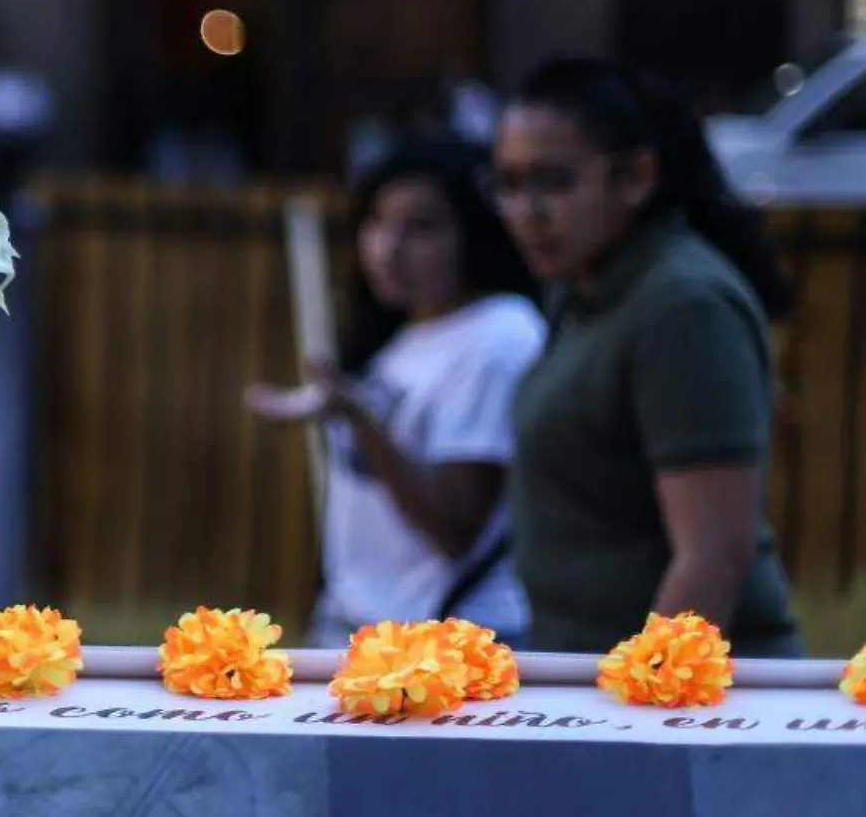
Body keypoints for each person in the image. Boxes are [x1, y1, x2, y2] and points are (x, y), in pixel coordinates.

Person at [488, 55, 802, 657]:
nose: (527, 212)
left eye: (553, 182)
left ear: (635, 177)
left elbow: (713, 555)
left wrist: (642, 704)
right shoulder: (580, 288)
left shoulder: (684, 306)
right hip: (586, 678)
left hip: (689, 704)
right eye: (508, 184)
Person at [247, 133, 544, 647]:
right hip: (363, 628)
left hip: (445, 649)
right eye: (377, 222)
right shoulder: (405, 329)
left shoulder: (498, 337)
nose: (388, 249)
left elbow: (455, 526)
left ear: (475, 232)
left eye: (421, 227)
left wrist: (360, 421)